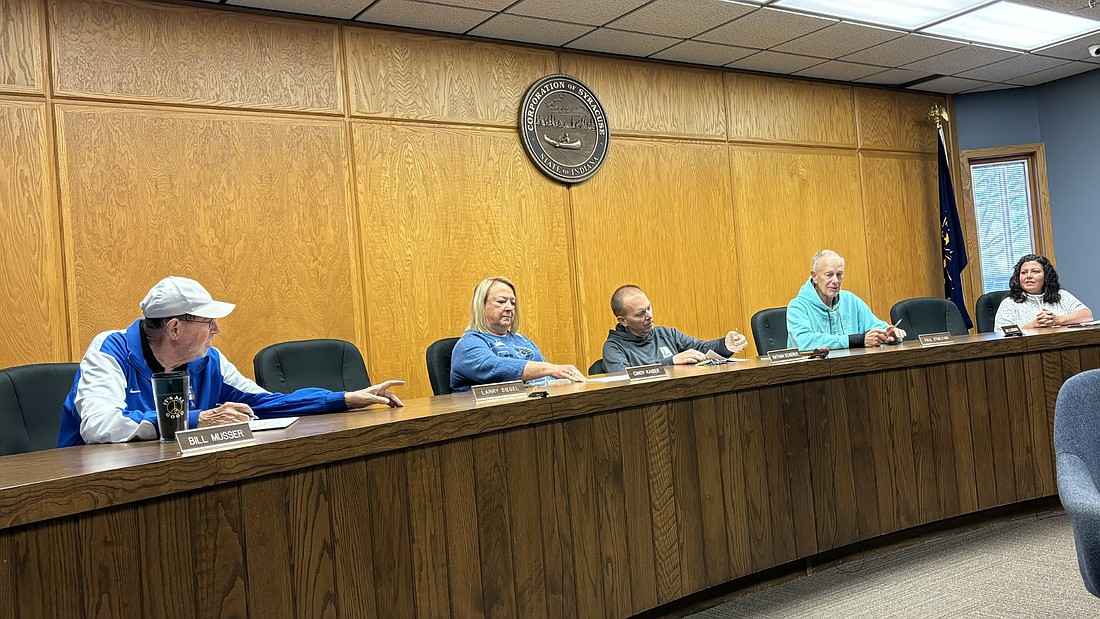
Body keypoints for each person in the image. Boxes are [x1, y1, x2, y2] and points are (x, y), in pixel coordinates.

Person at [58, 276, 404, 447]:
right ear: (175, 327)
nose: (216, 329)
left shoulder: (208, 360)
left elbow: (265, 405)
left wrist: (343, 399)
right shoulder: (110, 350)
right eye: (207, 322)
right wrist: (199, 419)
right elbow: (100, 426)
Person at [450, 277, 585, 392]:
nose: (510, 308)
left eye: (513, 303)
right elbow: (494, 366)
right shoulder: (468, 344)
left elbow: (545, 378)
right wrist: (550, 368)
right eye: (501, 301)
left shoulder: (522, 340)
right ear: (481, 305)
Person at [601, 285, 748, 372]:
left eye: (649, 308)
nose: (649, 316)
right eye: (640, 314)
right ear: (623, 321)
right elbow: (623, 378)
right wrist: (670, 361)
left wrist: (725, 345)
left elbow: (701, 348)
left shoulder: (666, 334)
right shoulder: (614, 347)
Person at [786, 249, 905, 350]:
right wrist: (854, 340)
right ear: (815, 276)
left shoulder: (851, 300)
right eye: (829, 275)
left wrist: (887, 334)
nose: (835, 281)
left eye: (839, 274)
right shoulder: (797, 306)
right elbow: (803, 342)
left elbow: (874, 325)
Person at [994, 254, 1093, 331]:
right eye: (1024, 272)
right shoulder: (1009, 303)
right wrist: (1033, 325)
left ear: (1046, 276)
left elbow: (1087, 315)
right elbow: (1001, 334)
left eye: (1035, 271)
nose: (1028, 276)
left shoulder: (1061, 296)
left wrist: (1057, 320)